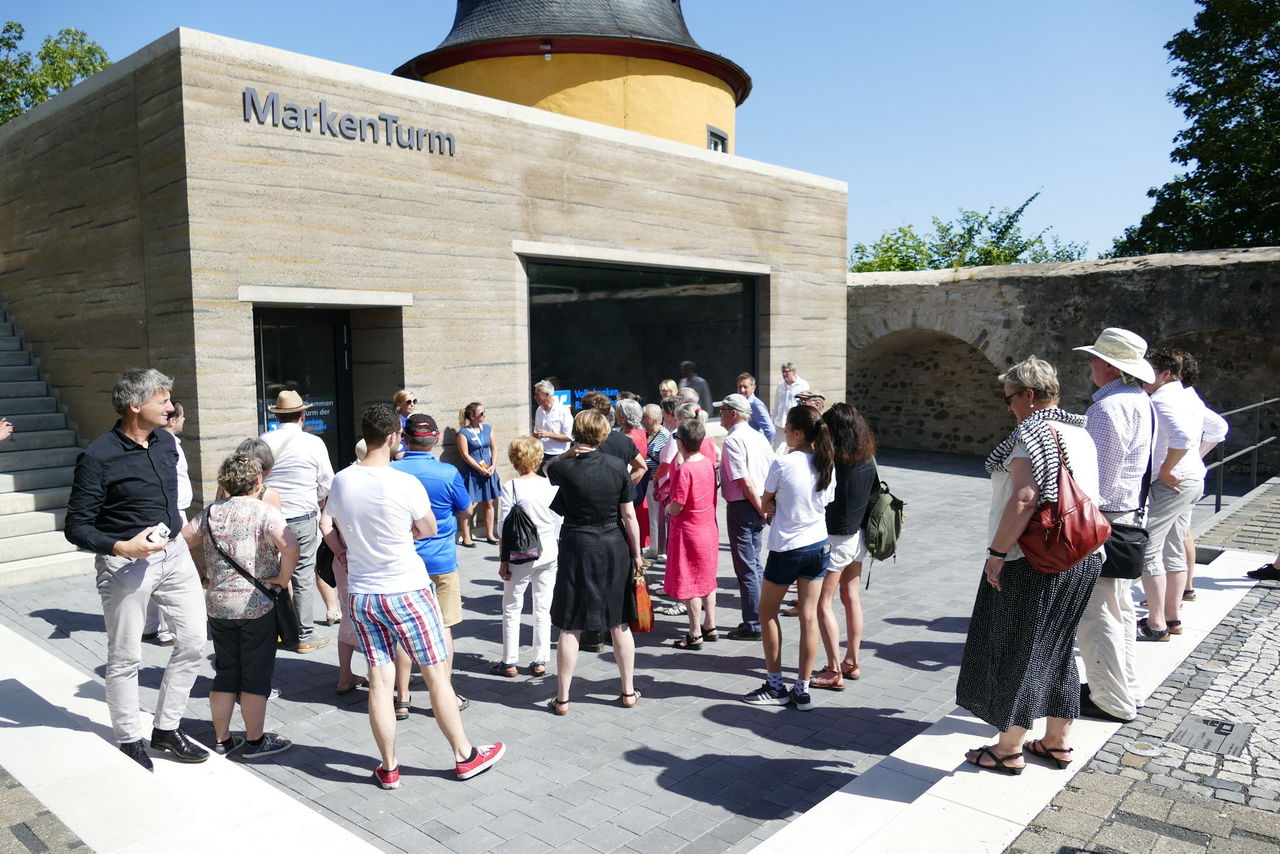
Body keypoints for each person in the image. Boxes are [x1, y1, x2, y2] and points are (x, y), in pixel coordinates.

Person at [324, 404, 505, 787]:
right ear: (393, 438)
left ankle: (388, 766)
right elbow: (426, 526)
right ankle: (464, 756)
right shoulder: (404, 483)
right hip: (406, 587)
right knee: (437, 674)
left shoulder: (342, 480)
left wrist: (349, 546)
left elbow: (332, 523)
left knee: (379, 679)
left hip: (363, 594)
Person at [957, 356, 1104, 775]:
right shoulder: (1080, 432)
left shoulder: (1032, 434)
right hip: (1083, 555)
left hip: (1035, 560)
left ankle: (1008, 748)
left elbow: (1024, 498)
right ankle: (1057, 740)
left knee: (1022, 647)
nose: (1009, 408)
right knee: (1057, 647)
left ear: (1028, 395)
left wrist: (997, 555)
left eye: (1009, 399)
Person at [64, 369, 208, 770]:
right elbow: (75, 526)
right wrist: (121, 546)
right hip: (125, 564)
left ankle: (167, 729)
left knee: (194, 641)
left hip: (175, 555)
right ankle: (129, 737)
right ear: (135, 406)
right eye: (162, 400)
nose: (171, 407)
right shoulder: (97, 457)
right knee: (126, 656)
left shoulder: (166, 442)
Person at [183, 453, 299, 759]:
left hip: (219, 605)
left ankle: (221, 739)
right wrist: (282, 577)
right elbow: (291, 546)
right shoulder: (264, 512)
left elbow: (182, 541)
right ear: (258, 480)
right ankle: (255, 741)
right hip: (256, 604)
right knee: (255, 676)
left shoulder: (209, 513)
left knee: (226, 672)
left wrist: (202, 576)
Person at [1071, 327, 1155, 723]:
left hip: (1105, 521)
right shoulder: (1139, 400)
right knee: (1118, 610)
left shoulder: (1107, 409)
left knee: (1097, 614)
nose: (1089, 363)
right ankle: (1124, 689)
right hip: (1127, 517)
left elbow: (1096, 481)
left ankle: (1110, 699)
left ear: (1108, 364)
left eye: (1094, 358)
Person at [545, 410, 644, 714]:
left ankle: (562, 698)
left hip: (576, 544)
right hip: (613, 544)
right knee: (619, 621)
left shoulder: (566, 469)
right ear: (602, 435)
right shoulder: (618, 467)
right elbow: (629, 515)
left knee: (570, 623)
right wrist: (638, 554)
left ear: (577, 435)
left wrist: (565, 455)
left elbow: (546, 469)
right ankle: (627, 691)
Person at [742, 405, 836, 709]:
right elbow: (826, 501)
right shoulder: (826, 464)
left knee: (767, 613)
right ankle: (803, 688)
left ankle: (775, 685)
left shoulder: (782, 464)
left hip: (788, 547)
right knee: (809, 616)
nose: (783, 432)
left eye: (787, 428)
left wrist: (771, 506)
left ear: (797, 432)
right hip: (818, 544)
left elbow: (765, 501)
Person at [390, 412, 474, 717]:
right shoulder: (448, 473)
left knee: (402, 630)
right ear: (436, 438)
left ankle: (402, 697)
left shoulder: (390, 470)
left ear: (405, 439)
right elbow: (464, 509)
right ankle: (446, 694)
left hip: (403, 560)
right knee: (443, 626)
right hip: (440, 559)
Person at [260, 390, 335, 653]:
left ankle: (271, 631)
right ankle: (303, 635)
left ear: (277, 416)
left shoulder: (263, 441)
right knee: (302, 574)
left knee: (269, 572)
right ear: (303, 416)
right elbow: (327, 483)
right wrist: (314, 500)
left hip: (269, 517)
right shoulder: (314, 443)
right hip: (303, 516)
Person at [1137, 348, 1204, 641]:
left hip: (1172, 484)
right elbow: (1213, 428)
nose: (1142, 377)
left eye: (1148, 371)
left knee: (1148, 549)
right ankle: (1171, 617)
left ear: (1164, 374)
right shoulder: (1187, 396)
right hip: (1192, 479)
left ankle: (1156, 623)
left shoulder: (1161, 398)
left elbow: (1183, 438)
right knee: (1173, 548)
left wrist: (1166, 468)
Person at [812, 403, 878, 690]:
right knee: (851, 597)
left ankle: (833, 668)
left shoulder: (832, 463)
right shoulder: (867, 458)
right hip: (858, 536)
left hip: (835, 538)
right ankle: (852, 661)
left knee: (821, 603)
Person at [494, 436, 561, 677]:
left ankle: (509, 660)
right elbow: (558, 523)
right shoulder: (551, 486)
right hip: (548, 550)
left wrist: (503, 560)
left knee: (512, 605)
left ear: (514, 459)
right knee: (543, 606)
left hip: (520, 553)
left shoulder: (511, 487)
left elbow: (503, 528)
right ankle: (540, 659)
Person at [716, 393, 774, 641]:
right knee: (755, 564)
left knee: (747, 567)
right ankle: (761, 617)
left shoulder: (734, 440)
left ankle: (754, 624)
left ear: (733, 414)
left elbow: (744, 481)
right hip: (756, 504)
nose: (720, 414)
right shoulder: (758, 437)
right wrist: (766, 505)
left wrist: (761, 506)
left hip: (745, 506)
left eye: (723, 410)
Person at [1177, 351, 1228, 602]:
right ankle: (1185, 587)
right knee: (1183, 531)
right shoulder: (1189, 398)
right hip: (1188, 474)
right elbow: (1218, 427)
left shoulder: (1181, 399)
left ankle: (1180, 589)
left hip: (1178, 476)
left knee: (1177, 534)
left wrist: (1194, 455)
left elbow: (1219, 428)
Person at [664, 419, 720, 649]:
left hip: (688, 532)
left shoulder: (686, 469)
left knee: (691, 582)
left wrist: (667, 509)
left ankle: (694, 632)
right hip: (708, 528)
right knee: (707, 579)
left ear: (682, 442)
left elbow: (677, 504)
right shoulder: (707, 462)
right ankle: (711, 624)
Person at [143, 401, 192, 647]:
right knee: (167, 571)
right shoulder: (165, 443)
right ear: (172, 420)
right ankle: (164, 630)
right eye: (182, 417)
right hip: (171, 514)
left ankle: (151, 625)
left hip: (172, 511)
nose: (184, 421)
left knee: (154, 570)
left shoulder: (165, 441)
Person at [456, 401, 501, 546]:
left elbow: (494, 448)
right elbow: (465, 455)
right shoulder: (463, 433)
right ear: (472, 416)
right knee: (468, 505)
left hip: (488, 471)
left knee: (488, 503)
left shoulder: (488, 428)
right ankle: (466, 537)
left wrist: (492, 466)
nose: (484, 415)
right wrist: (479, 469)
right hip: (473, 473)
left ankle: (490, 534)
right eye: (481, 413)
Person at [616, 398, 651, 551]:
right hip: (639, 482)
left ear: (623, 418)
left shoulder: (628, 438)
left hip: (632, 481)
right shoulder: (641, 432)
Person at [640, 403, 671, 559]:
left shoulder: (665, 435)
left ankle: (662, 549)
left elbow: (665, 461)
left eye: (644, 417)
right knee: (652, 514)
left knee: (660, 516)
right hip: (647, 479)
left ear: (651, 419)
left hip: (658, 481)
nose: (642, 420)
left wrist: (658, 480)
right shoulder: (646, 433)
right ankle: (654, 547)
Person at [532, 380, 572, 474]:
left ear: (546, 395)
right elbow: (537, 431)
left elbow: (569, 437)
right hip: (541, 455)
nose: (535, 397)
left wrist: (548, 434)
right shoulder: (539, 410)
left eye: (537, 394)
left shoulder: (563, 411)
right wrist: (535, 435)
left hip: (558, 456)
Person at [772, 362, 809, 449]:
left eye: (786, 371)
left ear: (793, 372)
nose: (784, 374)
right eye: (782, 372)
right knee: (777, 451)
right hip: (780, 425)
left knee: (791, 449)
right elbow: (776, 404)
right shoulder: (780, 385)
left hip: (794, 425)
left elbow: (805, 406)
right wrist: (773, 420)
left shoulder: (803, 385)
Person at [735, 373, 775, 442]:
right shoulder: (740, 402)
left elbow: (770, 431)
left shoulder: (757, 406)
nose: (742, 390)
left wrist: (761, 448)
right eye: (739, 387)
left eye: (745, 387)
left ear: (753, 388)